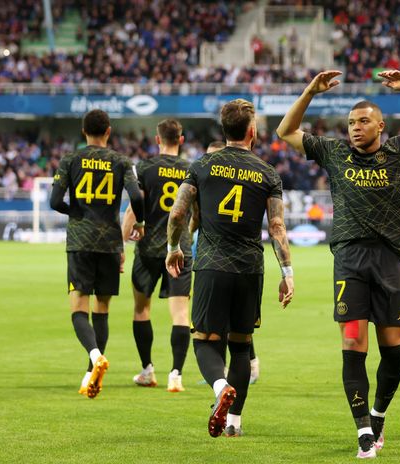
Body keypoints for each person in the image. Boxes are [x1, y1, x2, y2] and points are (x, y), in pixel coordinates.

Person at [276, 69, 400, 458]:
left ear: (380, 126)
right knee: (353, 341)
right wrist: (310, 91)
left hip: (389, 260)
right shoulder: (334, 152)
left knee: (393, 348)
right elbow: (286, 131)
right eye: (350, 123)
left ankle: (378, 415)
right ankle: (362, 431)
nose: (355, 128)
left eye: (362, 122)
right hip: (350, 261)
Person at [165, 99, 293, 438]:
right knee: (241, 345)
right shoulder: (267, 172)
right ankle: (234, 423)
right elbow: (277, 227)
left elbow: (177, 214)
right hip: (250, 268)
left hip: (211, 265)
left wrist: (173, 248)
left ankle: (221, 387)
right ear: (252, 132)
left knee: (205, 341)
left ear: (224, 130)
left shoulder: (202, 165)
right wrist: (287, 274)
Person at [49, 109, 145, 398]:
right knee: (102, 310)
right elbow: (137, 196)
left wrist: (75, 211)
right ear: (108, 131)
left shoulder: (70, 160)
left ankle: (95, 356)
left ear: (84, 131)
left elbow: (54, 201)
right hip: (110, 242)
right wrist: (139, 223)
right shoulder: (122, 161)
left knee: (79, 307)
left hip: (80, 240)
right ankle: (91, 373)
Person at [120, 119, 192, 393]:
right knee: (181, 313)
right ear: (181, 140)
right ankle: (176, 374)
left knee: (141, 309)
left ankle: (147, 370)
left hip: (148, 249)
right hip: (179, 250)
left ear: (157, 139)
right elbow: (197, 212)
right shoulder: (191, 169)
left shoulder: (145, 167)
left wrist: (121, 243)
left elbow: (133, 207)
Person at [199, 140, 262, 385]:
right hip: (235, 260)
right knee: (231, 325)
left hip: (221, 258)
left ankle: (236, 369)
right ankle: (229, 371)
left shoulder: (217, 175)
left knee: (226, 325)